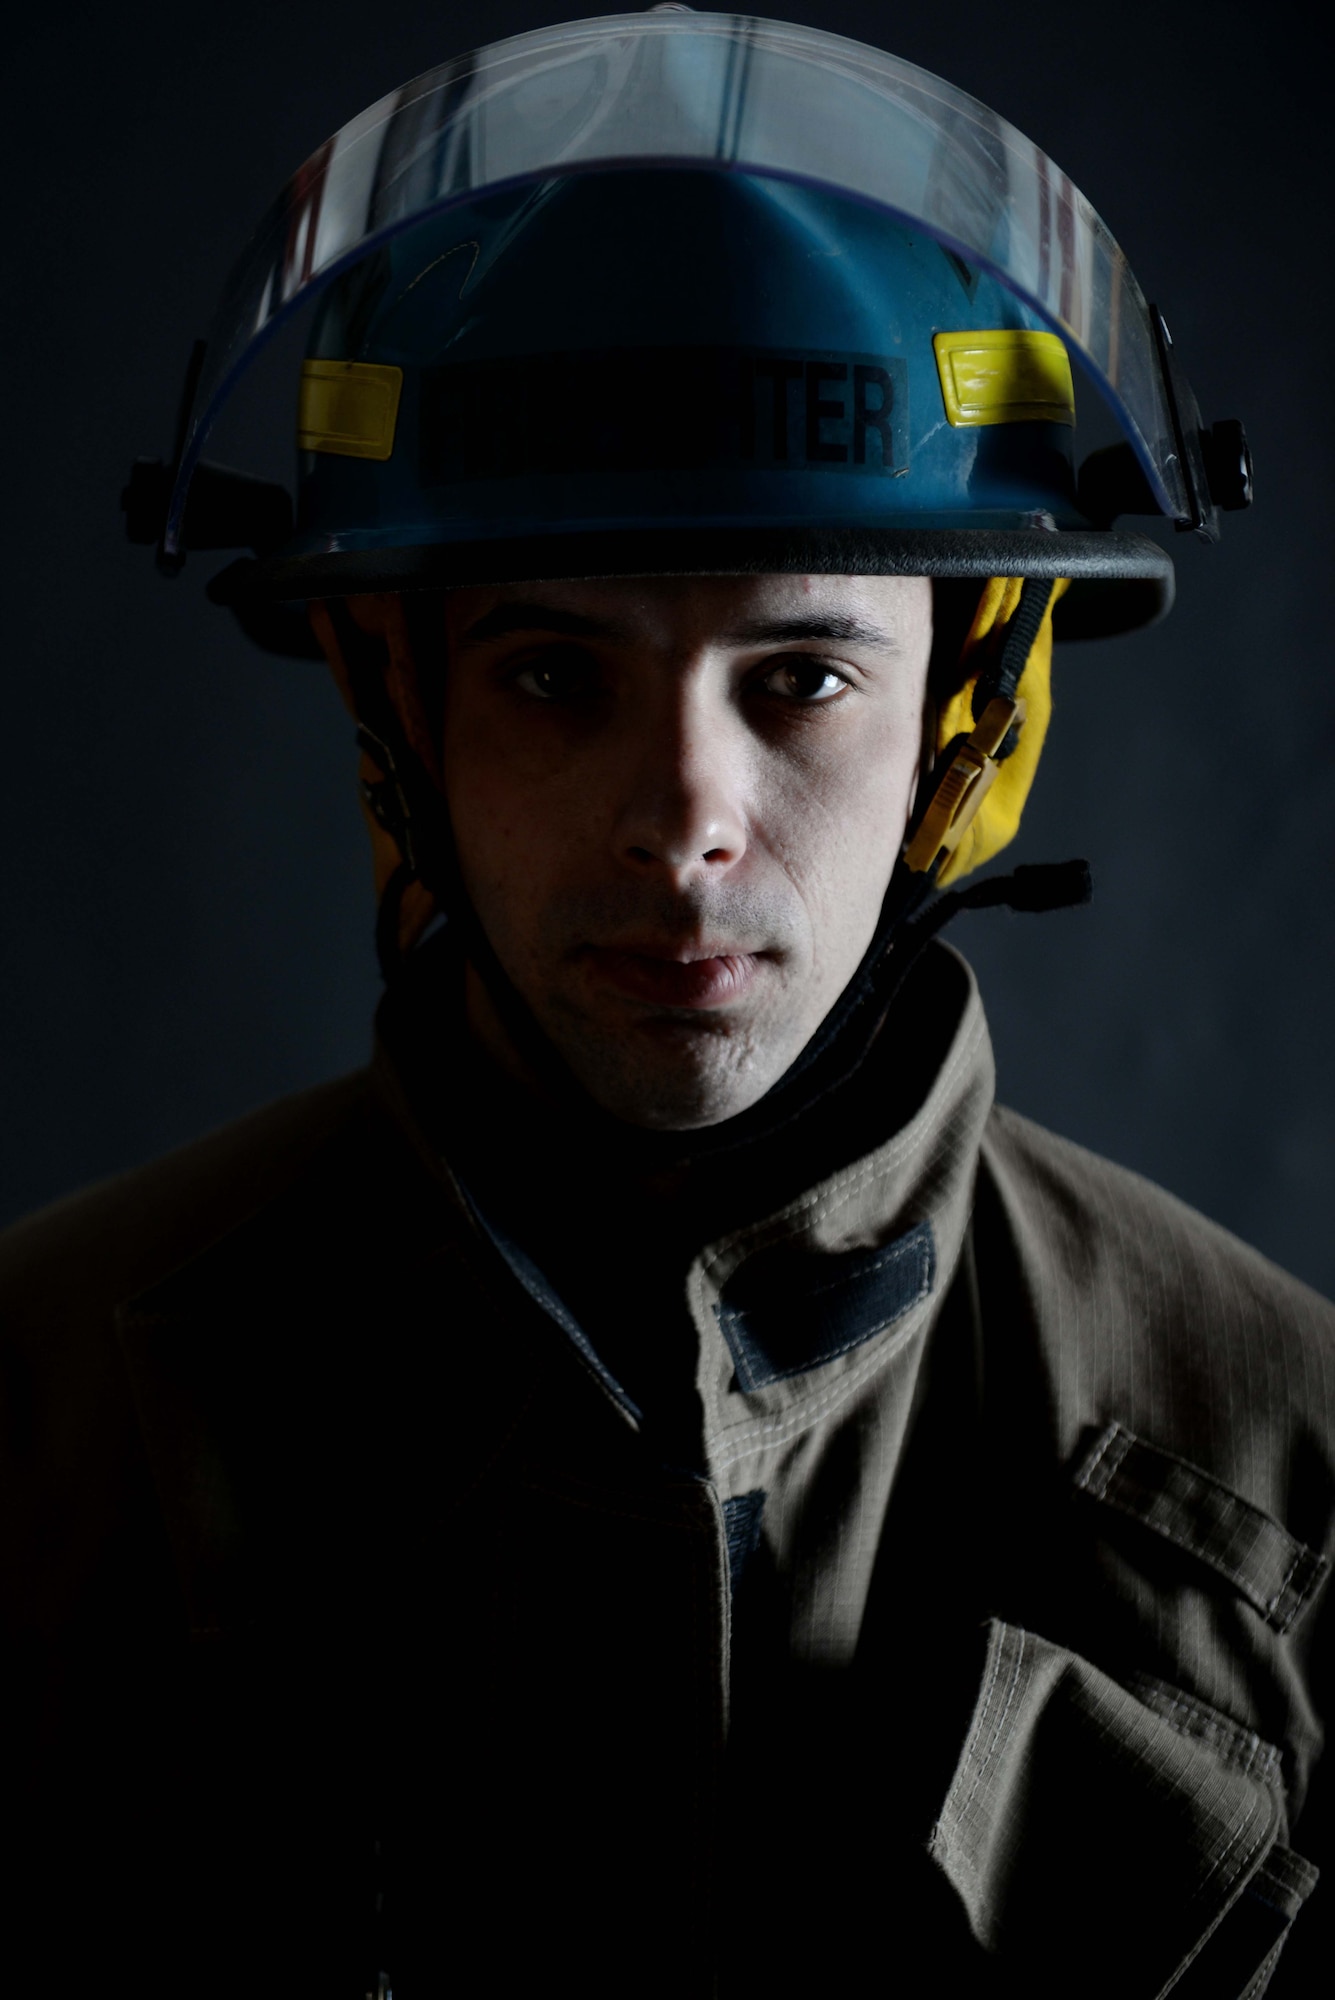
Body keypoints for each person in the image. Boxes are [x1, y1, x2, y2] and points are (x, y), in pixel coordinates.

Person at [2, 11, 1329, 1996]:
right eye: (553, 674)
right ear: (397, 710)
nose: (683, 818)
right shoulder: (39, 1420)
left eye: (798, 678)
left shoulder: (1287, 1483)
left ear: (965, 729)